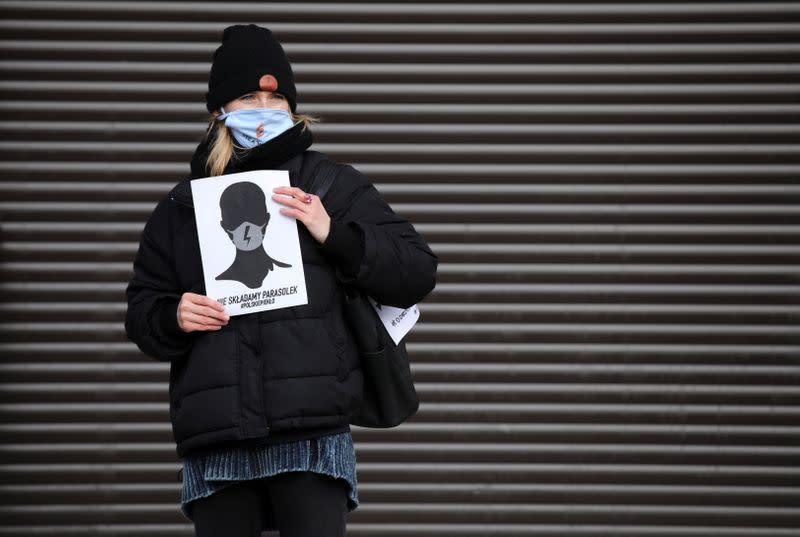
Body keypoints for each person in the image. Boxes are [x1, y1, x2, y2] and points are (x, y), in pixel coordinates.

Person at [125, 24, 437, 537]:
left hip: (311, 439)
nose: (263, 108)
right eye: (248, 96)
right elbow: (142, 313)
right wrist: (172, 315)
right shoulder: (181, 208)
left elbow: (416, 271)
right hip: (218, 443)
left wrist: (333, 232)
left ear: (291, 106)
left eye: (274, 97)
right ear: (219, 112)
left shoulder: (331, 186)